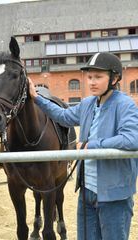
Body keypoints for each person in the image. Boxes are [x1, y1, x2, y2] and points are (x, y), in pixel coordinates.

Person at [28, 52, 138, 240]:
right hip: (86, 192)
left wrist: (91, 146)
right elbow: (63, 116)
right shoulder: (87, 103)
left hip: (114, 195)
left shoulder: (125, 104)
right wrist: (37, 98)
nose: (92, 82)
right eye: (89, 77)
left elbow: (132, 139)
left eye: (98, 76)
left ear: (115, 78)